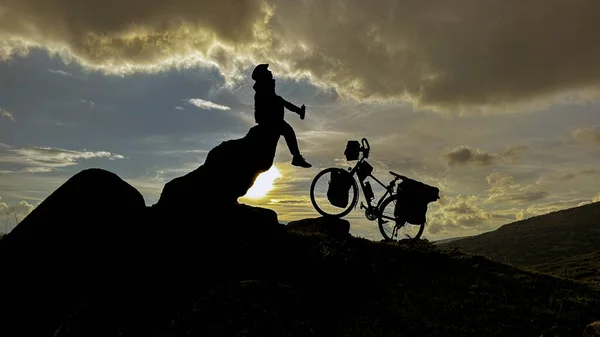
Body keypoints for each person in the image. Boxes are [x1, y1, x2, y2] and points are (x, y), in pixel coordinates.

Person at [251, 64, 312, 168]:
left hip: (271, 118)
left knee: (280, 100)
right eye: (267, 71)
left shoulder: (265, 86)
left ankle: (298, 112)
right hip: (269, 120)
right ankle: (296, 157)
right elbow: (267, 104)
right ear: (263, 75)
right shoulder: (263, 88)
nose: (270, 72)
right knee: (288, 131)